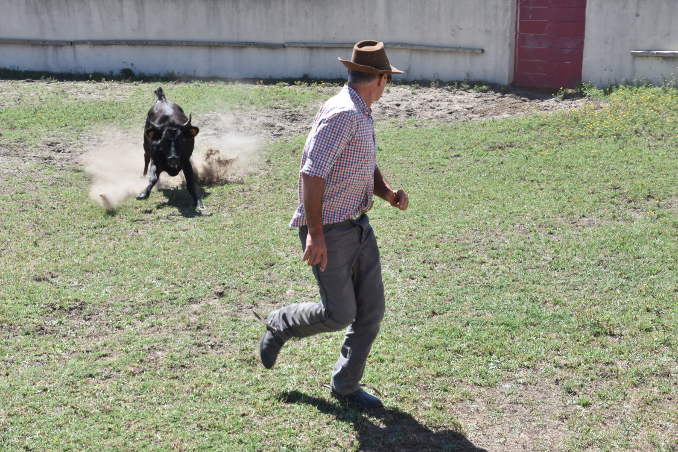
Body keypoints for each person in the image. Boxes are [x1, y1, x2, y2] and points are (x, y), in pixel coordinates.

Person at [256, 40, 409, 410]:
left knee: (371, 311)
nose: (387, 87)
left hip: (358, 225)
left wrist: (386, 193)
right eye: (388, 80)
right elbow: (311, 174)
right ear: (381, 78)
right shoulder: (343, 113)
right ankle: (282, 323)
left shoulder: (361, 110)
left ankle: (345, 385)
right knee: (340, 314)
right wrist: (316, 234)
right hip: (331, 231)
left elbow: (359, 162)